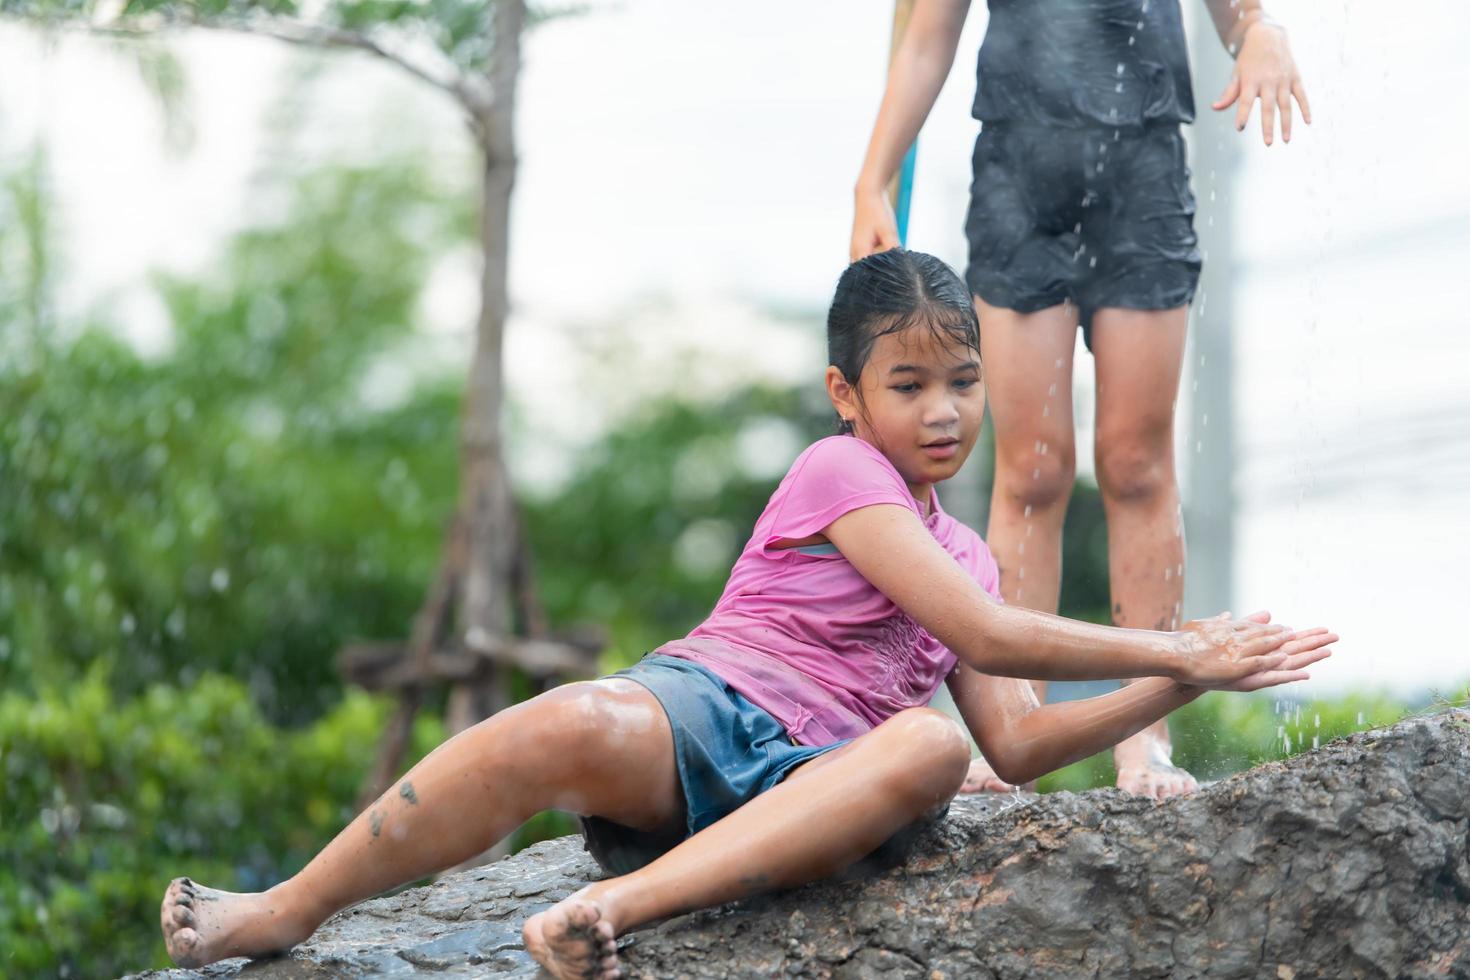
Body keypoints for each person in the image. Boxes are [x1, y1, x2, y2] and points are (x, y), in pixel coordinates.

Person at [158, 250, 1333, 979]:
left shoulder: (966, 550)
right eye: (907, 385)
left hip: (806, 791)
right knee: (564, 719)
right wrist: (1177, 639)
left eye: (962, 383)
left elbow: (1016, 743)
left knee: (933, 743)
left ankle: (601, 912)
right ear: (848, 395)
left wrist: (1184, 680)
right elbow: (984, 635)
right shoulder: (841, 474)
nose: (941, 413)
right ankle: (283, 908)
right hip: (700, 716)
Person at [850, 0, 1311, 798]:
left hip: (1143, 171)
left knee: (1135, 462)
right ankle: (1011, 730)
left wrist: (1261, 31)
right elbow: (929, 38)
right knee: (1030, 468)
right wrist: (874, 177)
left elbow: (1239, 13)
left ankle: (1145, 739)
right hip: (1019, 175)